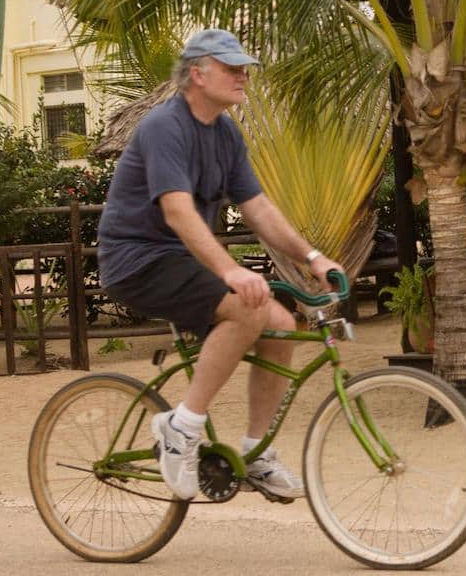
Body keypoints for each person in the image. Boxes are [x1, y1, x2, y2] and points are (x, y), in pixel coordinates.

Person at [97, 29, 346, 502]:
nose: (244, 77)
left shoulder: (226, 132)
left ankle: (255, 454)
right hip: (137, 258)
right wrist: (231, 272)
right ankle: (181, 428)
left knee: (278, 321)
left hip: (183, 257)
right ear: (198, 73)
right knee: (248, 305)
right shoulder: (163, 127)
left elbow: (257, 207)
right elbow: (177, 211)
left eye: (244, 68)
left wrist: (312, 257)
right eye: (233, 68)